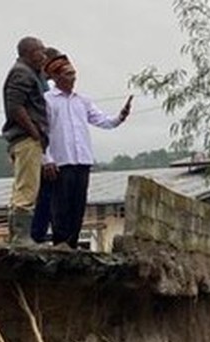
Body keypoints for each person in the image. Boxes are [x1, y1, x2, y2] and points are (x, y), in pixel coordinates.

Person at [41, 54, 130, 249]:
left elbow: (103, 121)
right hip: (60, 161)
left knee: (78, 206)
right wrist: (46, 158)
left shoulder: (83, 100)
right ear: (56, 77)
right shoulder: (48, 100)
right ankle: (61, 244)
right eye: (68, 74)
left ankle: (71, 245)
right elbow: (42, 132)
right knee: (60, 207)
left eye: (74, 73)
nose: (73, 77)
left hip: (82, 159)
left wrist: (120, 117)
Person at [0, 37, 49, 245]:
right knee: (27, 189)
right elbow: (15, 107)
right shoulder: (21, 73)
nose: (44, 56)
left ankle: (17, 235)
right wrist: (34, 131)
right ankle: (22, 237)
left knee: (21, 187)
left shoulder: (31, 73)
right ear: (29, 52)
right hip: (26, 137)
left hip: (26, 137)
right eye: (41, 51)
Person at [30, 47, 62, 243]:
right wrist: (45, 157)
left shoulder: (45, 86)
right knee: (43, 195)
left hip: (45, 146)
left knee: (47, 195)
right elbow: (41, 124)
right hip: (40, 148)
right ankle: (36, 234)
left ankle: (40, 233)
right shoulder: (39, 87)